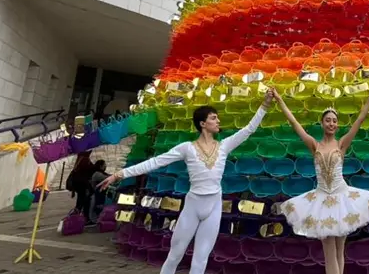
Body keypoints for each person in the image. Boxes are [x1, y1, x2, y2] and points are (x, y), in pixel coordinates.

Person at [99, 91, 274, 274]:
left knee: (201, 258)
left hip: (214, 206)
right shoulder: (187, 148)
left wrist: (265, 104)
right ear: (203, 124)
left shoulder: (224, 146)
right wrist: (119, 174)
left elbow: (249, 129)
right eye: (214, 118)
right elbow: (155, 162)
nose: (218, 121)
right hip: (192, 206)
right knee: (175, 254)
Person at [274, 87, 369, 274]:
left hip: (342, 197)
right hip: (321, 200)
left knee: (340, 250)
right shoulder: (314, 145)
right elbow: (294, 123)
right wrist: (279, 100)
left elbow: (359, 120)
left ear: (337, 125)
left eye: (334, 121)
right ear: (322, 123)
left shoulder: (341, 144)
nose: (331, 123)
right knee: (329, 251)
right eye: (328, 120)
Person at [66, 151, 95, 218]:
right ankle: (81, 216)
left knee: (80, 200)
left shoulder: (79, 160)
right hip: (83, 185)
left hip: (78, 185)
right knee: (83, 200)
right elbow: (91, 170)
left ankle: (77, 214)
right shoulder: (85, 160)